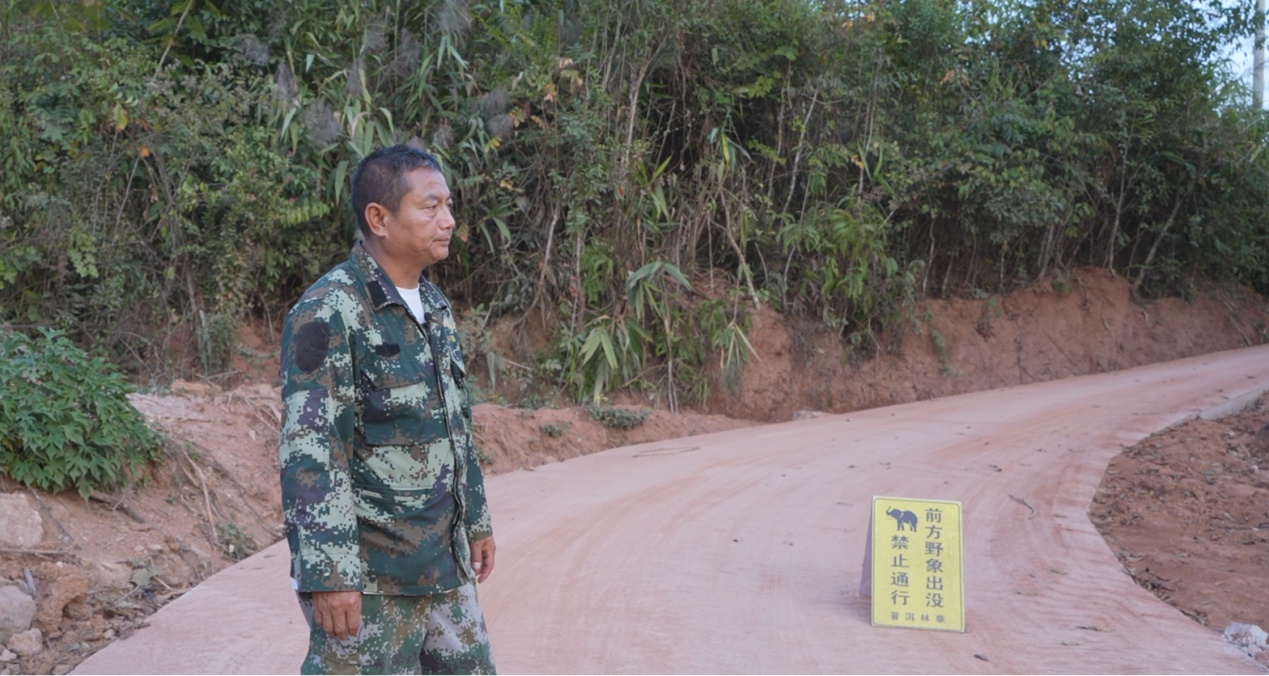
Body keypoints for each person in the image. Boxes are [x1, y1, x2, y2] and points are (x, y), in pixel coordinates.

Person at [278, 144, 496, 674]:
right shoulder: (330, 310)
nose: (448, 220)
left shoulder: (435, 306)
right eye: (430, 206)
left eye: (448, 205)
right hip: (372, 580)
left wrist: (477, 522)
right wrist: (330, 575)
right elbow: (312, 452)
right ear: (379, 218)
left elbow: (455, 426)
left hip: (445, 568)